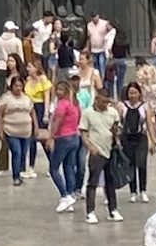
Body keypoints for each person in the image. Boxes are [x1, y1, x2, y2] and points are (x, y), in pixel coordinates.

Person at [82, 85, 122, 223]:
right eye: (103, 101)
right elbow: (83, 132)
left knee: (110, 182)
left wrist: (117, 133)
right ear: (96, 99)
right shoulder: (87, 113)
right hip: (96, 151)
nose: (105, 104)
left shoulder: (113, 113)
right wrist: (90, 147)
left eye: (107, 102)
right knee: (93, 182)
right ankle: (90, 211)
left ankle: (113, 210)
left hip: (110, 150)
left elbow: (116, 128)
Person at [51, 77, 86, 212]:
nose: (58, 92)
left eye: (61, 90)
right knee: (69, 167)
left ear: (66, 91)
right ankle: (71, 195)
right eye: (57, 89)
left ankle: (64, 195)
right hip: (74, 137)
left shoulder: (62, 104)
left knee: (53, 168)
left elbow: (58, 121)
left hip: (63, 138)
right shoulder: (75, 104)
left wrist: (51, 136)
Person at [0, 75, 35, 188]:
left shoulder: (26, 98)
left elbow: (32, 113)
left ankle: (20, 171)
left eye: (20, 86)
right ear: (12, 86)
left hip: (25, 131)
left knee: (23, 153)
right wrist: (0, 130)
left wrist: (35, 127)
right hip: (11, 130)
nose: (18, 88)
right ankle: (16, 176)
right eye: (16, 86)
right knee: (16, 152)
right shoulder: (6, 98)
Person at [122, 83, 156, 204]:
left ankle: (143, 190)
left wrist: (153, 141)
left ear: (139, 93)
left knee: (141, 163)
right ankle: (133, 192)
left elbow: (149, 124)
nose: (132, 96)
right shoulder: (122, 106)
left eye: (135, 93)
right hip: (127, 138)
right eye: (130, 93)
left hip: (141, 138)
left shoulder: (145, 106)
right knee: (130, 164)